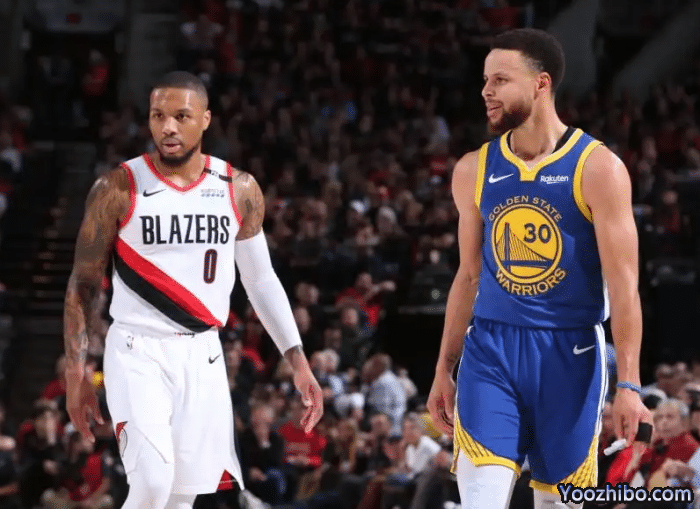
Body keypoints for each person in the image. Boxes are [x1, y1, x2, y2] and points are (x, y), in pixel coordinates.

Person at [63, 71, 324, 509]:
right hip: (137, 349)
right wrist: (77, 373)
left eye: (181, 116)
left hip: (204, 353)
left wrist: (297, 360)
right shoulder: (117, 188)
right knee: (151, 483)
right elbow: (83, 283)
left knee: (182, 497)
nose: (168, 127)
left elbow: (261, 280)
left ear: (205, 119)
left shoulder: (238, 189)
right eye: (158, 116)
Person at [426, 29, 652, 509]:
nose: (486, 91)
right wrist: (444, 368)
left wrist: (629, 385)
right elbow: (468, 276)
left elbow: (625, 288)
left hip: (570, 354)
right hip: (490, 351)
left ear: (541, 83)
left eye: (500, 80)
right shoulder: (473, 169)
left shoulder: (599, 168)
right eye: (485, 80)